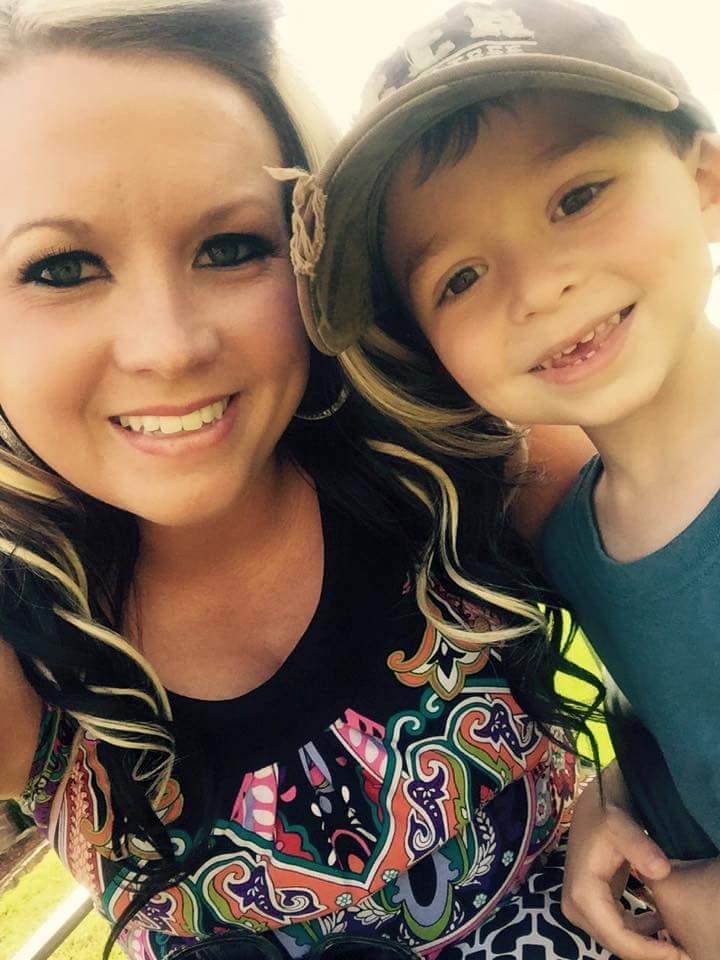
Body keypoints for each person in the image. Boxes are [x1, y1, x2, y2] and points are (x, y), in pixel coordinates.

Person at [0, 2, 627, 959]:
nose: (169, 346)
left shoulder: (466, 456)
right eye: (61, 267)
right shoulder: (24, 638)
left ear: (314, 255)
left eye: (231, 247)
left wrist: (640, 792)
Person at [284, 0, 720, 957]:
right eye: (461, 278)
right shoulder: (574, 537)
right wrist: (611, 800)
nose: (536, 286)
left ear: (704, 176)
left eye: (577, 197)